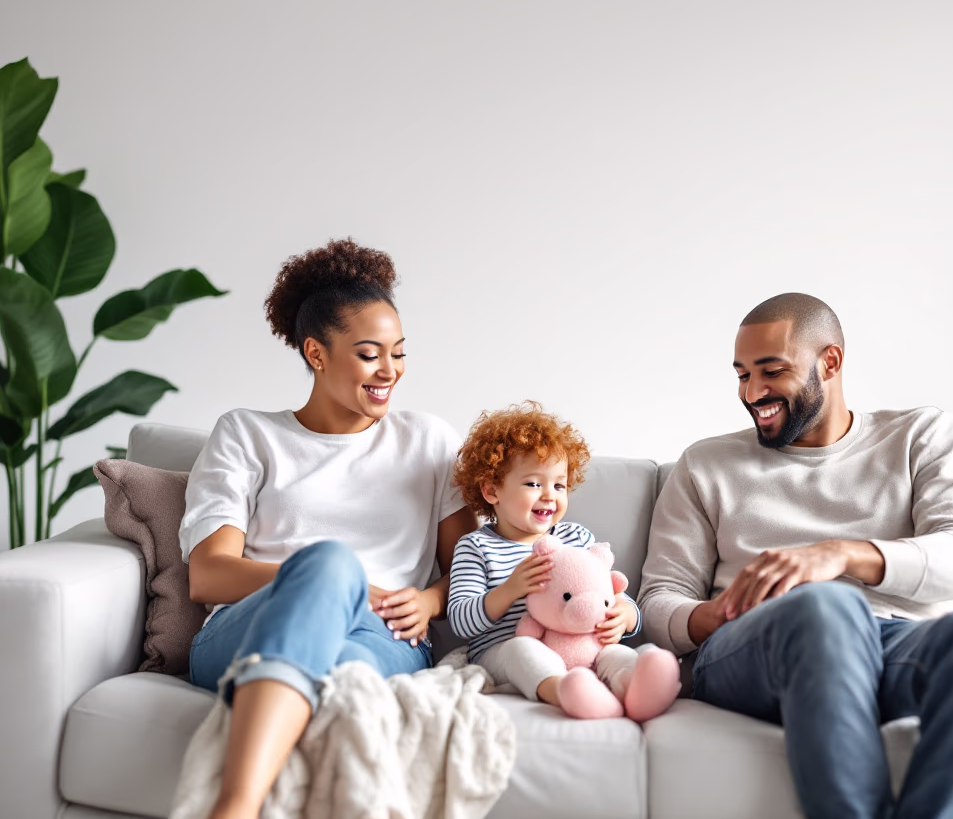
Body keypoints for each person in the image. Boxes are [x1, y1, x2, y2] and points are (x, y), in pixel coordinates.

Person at [638, 292, 953, 819]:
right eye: (742, 375)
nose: (752, 393)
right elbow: (659, 602)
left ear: (830, 361)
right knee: (826, 608)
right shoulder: (704, 465)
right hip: (755, 647)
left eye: (772, 371)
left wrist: (841, 555)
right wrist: (724, 611)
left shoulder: (922, 436)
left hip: (896, 643)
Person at [179, 239, 477, 819]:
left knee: (347, 681)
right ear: (316, 353)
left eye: (399, 353)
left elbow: (468, 567)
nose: (390, 370)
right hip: (248, 628)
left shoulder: (430, 442)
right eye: (369, 354)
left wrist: (429, 600)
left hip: (383, 638)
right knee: (331, 564)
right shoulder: (246, 434)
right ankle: (235, 807)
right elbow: (208, 575)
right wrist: (342, 584)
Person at [447, 402, 680, 721]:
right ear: (491, 490)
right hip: (505, 653)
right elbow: (461, 621)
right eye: (533, 483)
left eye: (559, 485)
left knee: (615, 653)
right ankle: (564, 691)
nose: (550, 495)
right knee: (522, 651)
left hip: (582, 647)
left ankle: (635, 687)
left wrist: (625, 615)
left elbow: (609, 592)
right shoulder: (476, 547)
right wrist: (510, 589)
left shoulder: (576, 538)